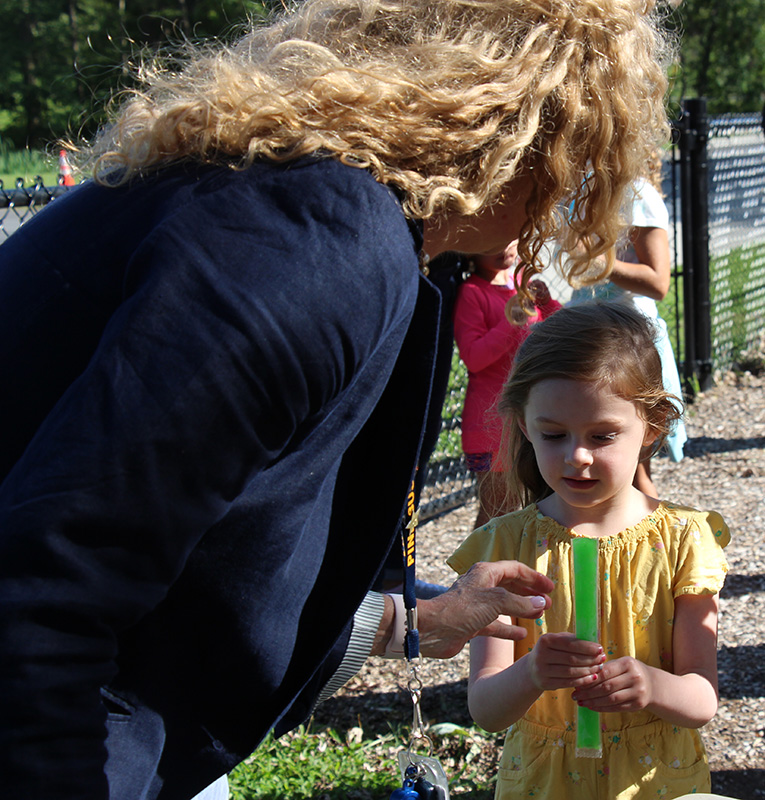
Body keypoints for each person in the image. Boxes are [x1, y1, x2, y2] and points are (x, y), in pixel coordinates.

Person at [0, 0, 673, 797]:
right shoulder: (313, 244)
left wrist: (417, 621)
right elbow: (46, 592)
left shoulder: (317, 216)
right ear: (524, 140)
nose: (565, 199)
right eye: (575, 166)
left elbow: (215, 553)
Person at [448, 302, 730, 800]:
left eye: (602, 436)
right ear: (524, 424)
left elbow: (702, 697)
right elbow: (486, 709)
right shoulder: (504, 547)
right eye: (553, 434)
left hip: (656, 782)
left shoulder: (684, 540)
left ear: (654, 425)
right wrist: (532, 672)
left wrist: (652, 686)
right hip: (542, 784)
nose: (577, 455)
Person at [569, 154, 687, 495]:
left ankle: (654, 547)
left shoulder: (636, 196)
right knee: (606, 471)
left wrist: (600, 260)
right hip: (594, 335)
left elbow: (657, 281)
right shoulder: (586, 190)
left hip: (629, 341)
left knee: (633, 475)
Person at [454, 240, 561, 528]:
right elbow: (474, 357)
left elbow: (557, 334)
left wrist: (548, 305)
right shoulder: (471, 292)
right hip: (490, 423)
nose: (502, 245)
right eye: (493, 239)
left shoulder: (520, 285)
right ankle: (475, 573)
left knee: (534, 506)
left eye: (509, 237)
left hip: (530, 417)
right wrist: (511, 321)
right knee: (498, 510)